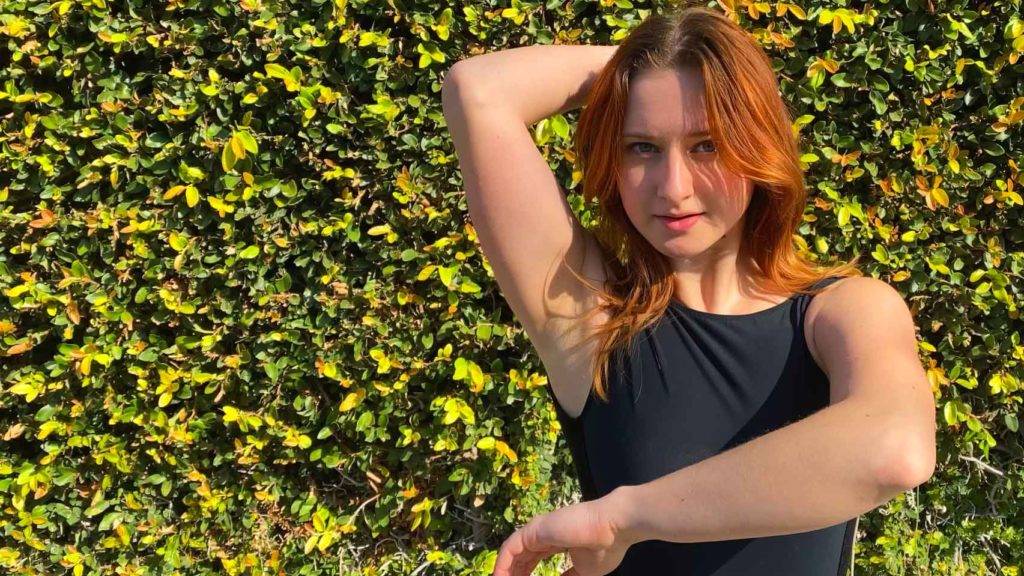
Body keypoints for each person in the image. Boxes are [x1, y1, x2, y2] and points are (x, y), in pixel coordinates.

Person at [441, 3, 937, 575]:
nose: (673, 188)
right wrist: (645, 65)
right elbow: (477, 90)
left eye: (707, 145)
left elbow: (894, 449)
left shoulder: (845, 312)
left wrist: (621, 519)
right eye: (642, 147)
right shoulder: (590, 318)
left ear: (757, 145)